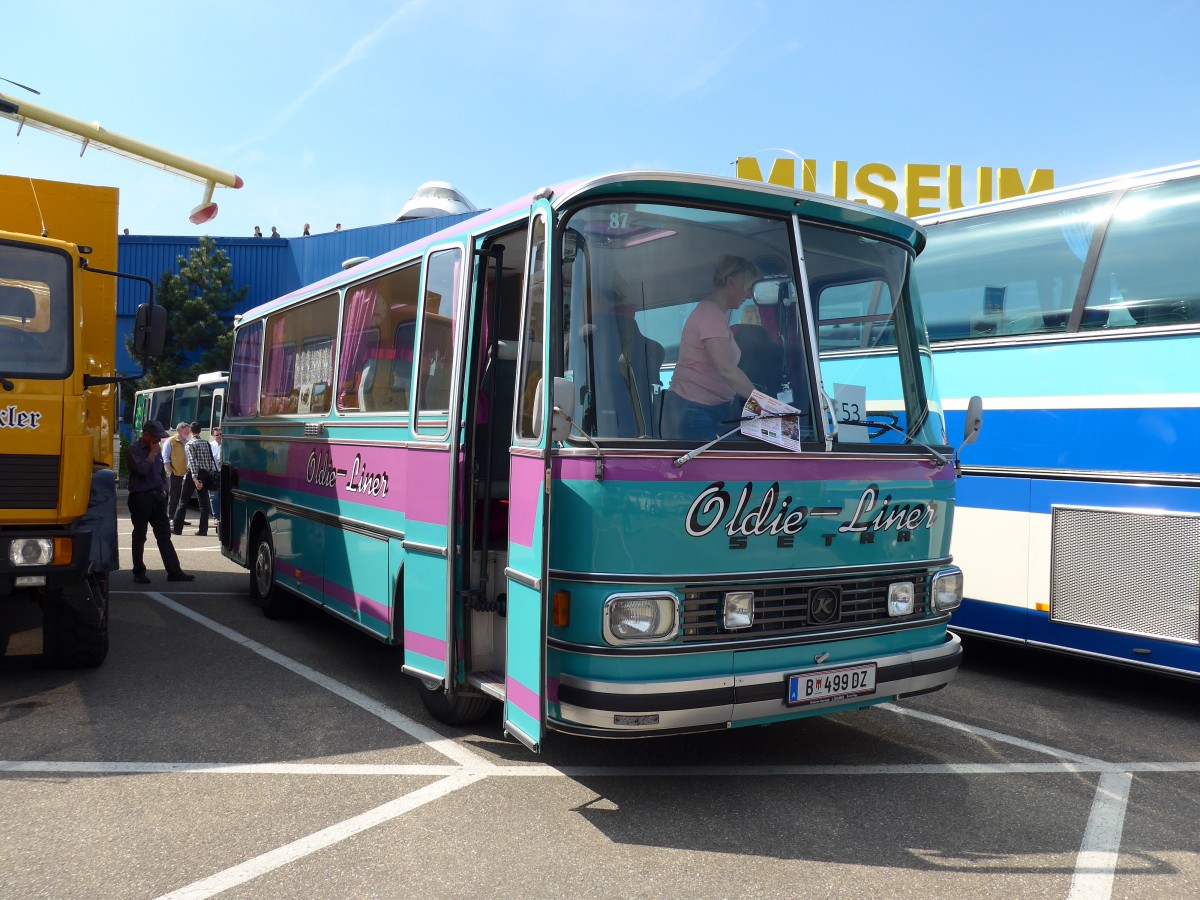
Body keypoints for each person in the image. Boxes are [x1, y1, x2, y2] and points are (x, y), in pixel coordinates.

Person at [662, 255, 758, 440]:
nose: (748, 295)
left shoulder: (716, 315)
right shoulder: (709, 314)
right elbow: (726, 370)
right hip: (694, 411)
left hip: (707, 411)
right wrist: (765, 405)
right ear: (731, 282)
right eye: (747, 288)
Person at [126, 419, 194, 583]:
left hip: (157, 497)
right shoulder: (133, 450)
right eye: (155, 437)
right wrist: (152, 454)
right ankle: (139, 572)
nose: (158, 440)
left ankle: (174, 571)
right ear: (146, 434)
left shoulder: (157, 448)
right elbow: (141, 470)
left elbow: (162, 473)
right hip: (140, 497)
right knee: (140, 535)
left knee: (164, 535)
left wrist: (164, 490)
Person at [174, 421, 217, 536]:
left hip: (193, 474)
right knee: (204, 503)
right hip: (205, 474)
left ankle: (177, 529)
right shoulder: (206, 443)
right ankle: (203, 530)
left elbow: (193, 462)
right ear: (200, 431)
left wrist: (194, 478)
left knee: (183, 501)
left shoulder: (190, 444)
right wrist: (205, 475)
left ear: (191, 431)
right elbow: (209, 461)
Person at [163, 422, 190, 519]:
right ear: (179, 430)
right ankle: (170, 517)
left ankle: (179, 518)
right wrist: (171, 473)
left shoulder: (187, 442)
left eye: (188, 430)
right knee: (174, 498)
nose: (188, 432)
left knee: (182, 499)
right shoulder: (170, 441)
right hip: (175, 474)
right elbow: (165, 459)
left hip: (186, 474)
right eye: (186, 430)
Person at [208, 426, 223, 523]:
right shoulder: (210, 445)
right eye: (217, 434)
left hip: (224, 473)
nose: (219, 436)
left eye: (221, 434)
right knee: (214, 496)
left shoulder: (226, 444)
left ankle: (223, 515)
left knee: (224, 496)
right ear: (213, 435)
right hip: (214, 473)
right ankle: (216, 517)